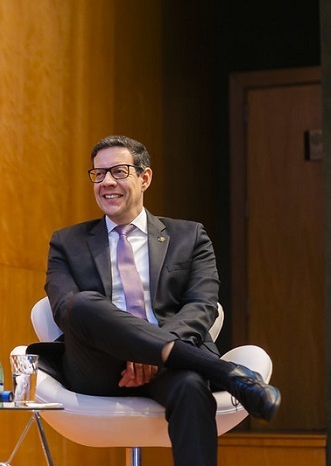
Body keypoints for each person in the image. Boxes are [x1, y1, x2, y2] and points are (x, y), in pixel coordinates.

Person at [40, 135, 280, 466]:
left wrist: (153, 353)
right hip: (96, 366)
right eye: (98, 174)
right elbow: (64, 309)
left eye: (119, 171)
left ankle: (196, 367)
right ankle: (227, 373)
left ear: (145, 177)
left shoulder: (189, 236)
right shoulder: (67, 242)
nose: (106, 182)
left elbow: (202, 306)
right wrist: (135, 349)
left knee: (192, 385)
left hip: (171, 367)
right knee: (80, 304)